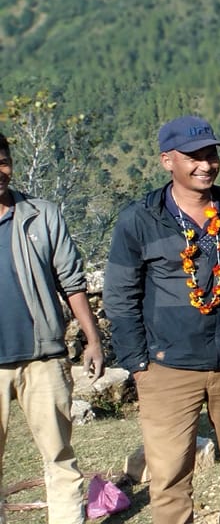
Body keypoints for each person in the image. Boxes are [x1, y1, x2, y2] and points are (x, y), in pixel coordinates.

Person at [104, 115, 220, 524]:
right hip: (167, 368)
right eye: (194, 157)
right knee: (169, 475)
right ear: (167, 160)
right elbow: (120, 296)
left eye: (211, 155)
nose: (206, 164)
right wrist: (137, 363)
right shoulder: (141, 219)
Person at [0, 132, 104, 524]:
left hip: (42, 357)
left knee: (59, 457)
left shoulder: (40, 215)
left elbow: (72, 281)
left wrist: (92, 338)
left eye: (3, 161)